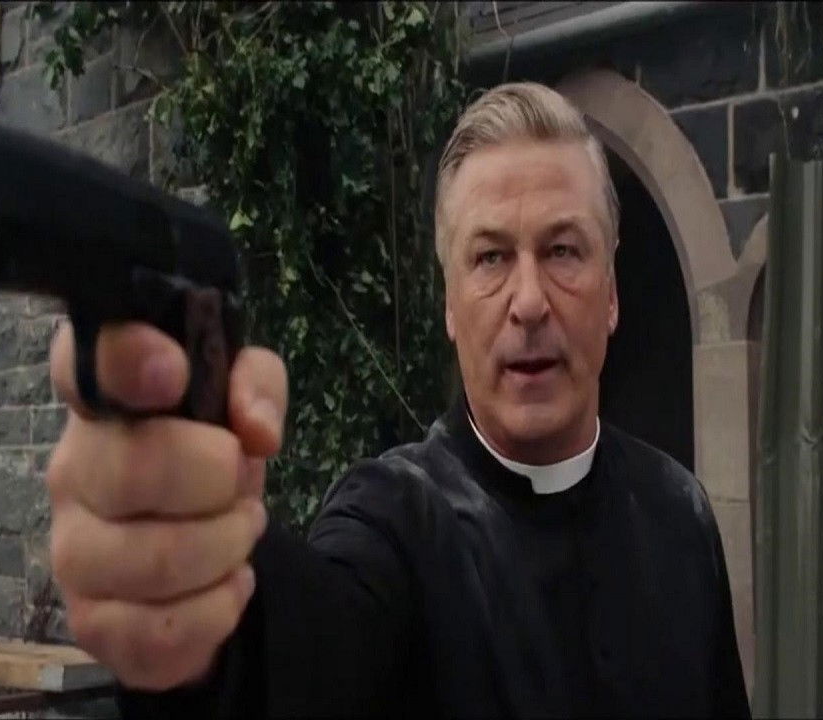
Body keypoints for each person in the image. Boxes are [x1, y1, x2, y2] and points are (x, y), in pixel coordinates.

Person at [44, 82, 750, 718]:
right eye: (491, 257)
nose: (530, 302)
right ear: (450, 306)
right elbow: (300, 659)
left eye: (563, 250)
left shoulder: (681, 514)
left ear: (612, 294)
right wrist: (196, 594)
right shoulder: (394, 519)